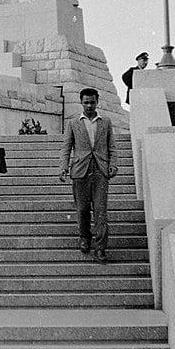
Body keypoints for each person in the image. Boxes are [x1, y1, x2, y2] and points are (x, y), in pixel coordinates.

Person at [58, 87, 118, 264]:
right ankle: (85, 237)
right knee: (83, 209)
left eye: (92, 102)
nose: (89, 106)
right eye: (86, 103)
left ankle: (100, 248)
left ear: (97, 101)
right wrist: (63, 167)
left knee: (100, 211)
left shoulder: (105, 122)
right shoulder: (74, 123)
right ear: (81, 103)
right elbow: (66, 147)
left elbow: (112, 147)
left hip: (100, 171)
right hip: (80, 171)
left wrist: (113, 165)